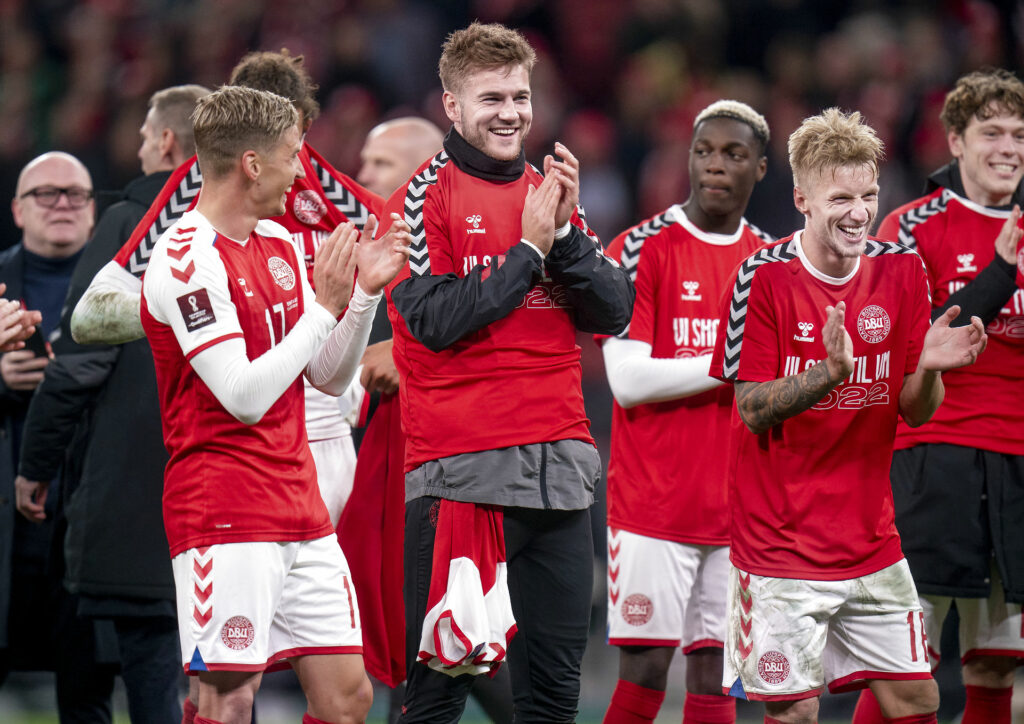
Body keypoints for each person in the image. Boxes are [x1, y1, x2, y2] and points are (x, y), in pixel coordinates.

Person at [385, 22, 634, 723]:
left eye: (520, 96)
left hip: (559, 472)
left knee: (553, 697)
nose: (510, 112)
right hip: (461, 475)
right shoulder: (421, 197)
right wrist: (528, 249)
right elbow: (432, 320)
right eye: (491, 96)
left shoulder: (549, 192)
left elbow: (614, 311)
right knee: (437, 694)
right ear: (453, 106)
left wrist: (567, 240)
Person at [708, 108, 990, 724]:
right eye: (841, 197)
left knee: (918, 698)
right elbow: (751, 407)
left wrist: (931, 368)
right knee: (795, 714)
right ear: (802, 198)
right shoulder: (762, 277)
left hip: (871, 544)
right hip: (778, 548)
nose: (859, 211)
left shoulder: (901, 269)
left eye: (868, 194)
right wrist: (827, 375)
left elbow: (915, 411)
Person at [140, 85, 410, 724]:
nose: (303, 168)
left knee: (347, 699)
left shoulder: (283, 246)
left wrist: (363, 297)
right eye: (294, 153)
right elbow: (242, 396)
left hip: (301, 505)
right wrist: (322, 308)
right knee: (228, 699)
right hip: (224, 507)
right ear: (253, 164)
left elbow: (324, 374)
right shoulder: (184, 260)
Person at [15, 84, 209, 724]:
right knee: (225, 686)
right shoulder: (259, 230)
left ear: (167, 144)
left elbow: (79, 366)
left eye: (143, 137)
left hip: (139, 504)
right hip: (242, 502)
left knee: (150, 678)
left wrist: (35, 465)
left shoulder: (135, 227)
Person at [852, 69, 1024, 724]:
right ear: (955, 139)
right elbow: (911, 339)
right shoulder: (911, 225)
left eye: (1019, 134)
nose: (1008, 147)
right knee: (906, 661)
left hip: (1017, 462)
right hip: (934, 456)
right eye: (991, 132)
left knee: (994, 659)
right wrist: (1001, 273)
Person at [599, 100, 771, 724]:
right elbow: (627, 378)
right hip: (653, 505)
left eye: (733, 154)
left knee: (715, 675)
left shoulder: (774, 263)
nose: (715, 166)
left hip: (736, 507)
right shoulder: (640, 248)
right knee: (645, 672)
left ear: (761, 168)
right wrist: (731, 362)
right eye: (704, 152)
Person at [0, 151, 118, 719]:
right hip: (5, 520)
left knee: (87, 691)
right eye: (46, 194)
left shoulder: (122, 288)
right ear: (18, 211)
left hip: (88, 517)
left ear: (95, 211)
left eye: (77, 193)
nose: (63, 203)